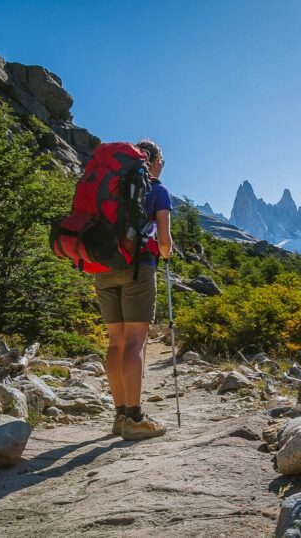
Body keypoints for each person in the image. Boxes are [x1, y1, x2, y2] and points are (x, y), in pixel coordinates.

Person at [94, 138, 172, 440]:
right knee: (135, 343)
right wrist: (166, 252)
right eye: (161, 160)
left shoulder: (111, 185)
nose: (162, 165)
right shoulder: (157, 190)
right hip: (137, 267)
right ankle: (135, 418)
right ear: (152, 161)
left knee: (115, 343)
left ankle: (119, 415)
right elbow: (164, 244)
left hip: (102, 269)